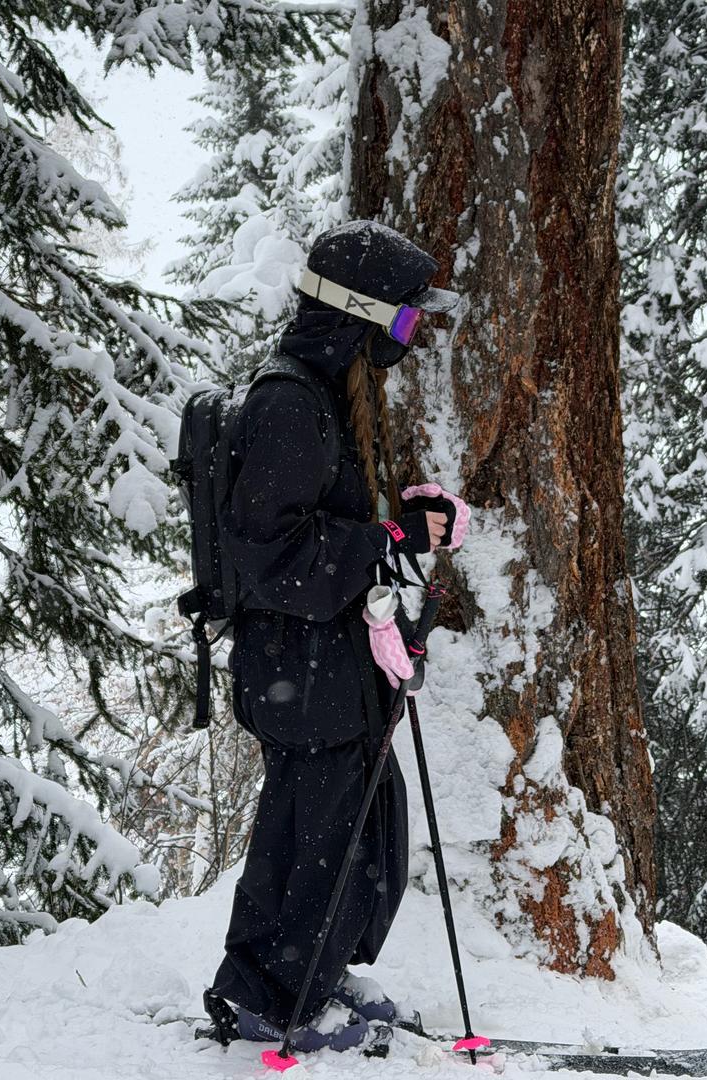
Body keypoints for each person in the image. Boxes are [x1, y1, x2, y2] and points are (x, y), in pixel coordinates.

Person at [205, 220, 469, 1052]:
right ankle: (279, 998)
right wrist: (388, 544)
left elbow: (327, 519)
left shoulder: (325, 391)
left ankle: (298, 974)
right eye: (401, 321)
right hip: (299, 663)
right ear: (356, 314)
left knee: (350, 823)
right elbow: (270, 553)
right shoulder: (290, 401)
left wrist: (401, 522)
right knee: (322, 835)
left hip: (323, 661)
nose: (408, 337)